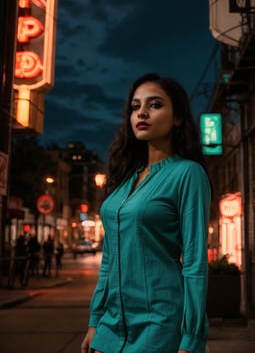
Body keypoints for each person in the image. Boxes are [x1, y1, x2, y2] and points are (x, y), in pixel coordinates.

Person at [81, 73, 212, 353]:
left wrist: (192, 338)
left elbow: (195, 262)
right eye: (135, 106)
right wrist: (95, 320)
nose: (142, 112)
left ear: (177, 117)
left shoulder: (187, 174)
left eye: (155, 105)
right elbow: (109, 260)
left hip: (161, 321)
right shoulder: (124, 179)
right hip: (112, 323)